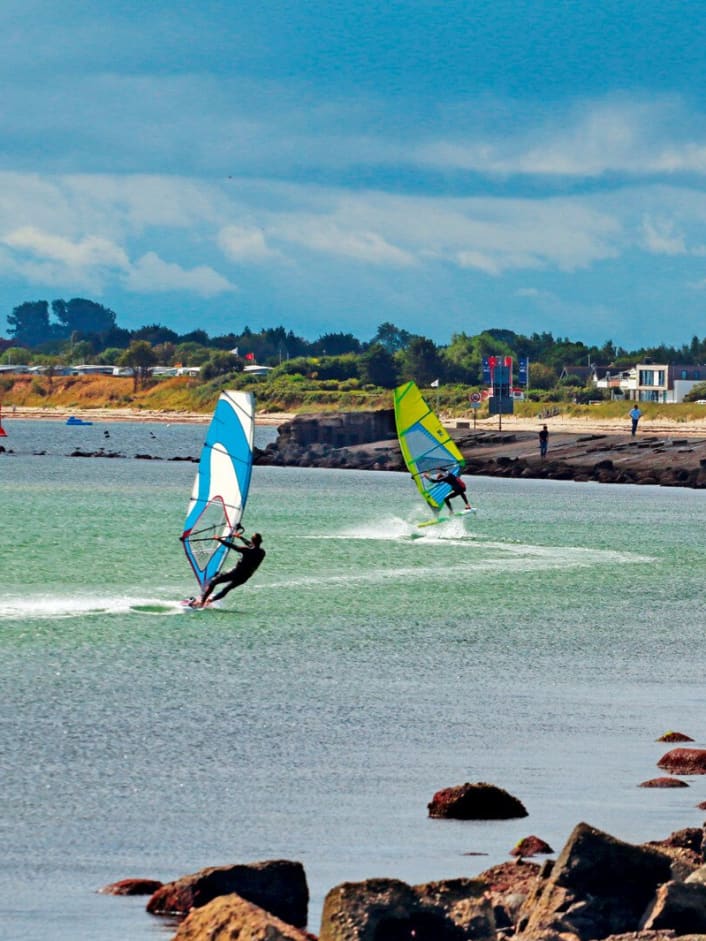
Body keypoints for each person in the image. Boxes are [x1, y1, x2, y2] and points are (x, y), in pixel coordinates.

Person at [195, 531, 265, 607]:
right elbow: (251, 545)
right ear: (260, 542)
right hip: (245, 577)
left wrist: (219, 539)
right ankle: (210, 600)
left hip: (235, 573)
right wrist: (241, 537)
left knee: (213, 582)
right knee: (226, 589)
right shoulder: (262, 552)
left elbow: (231, 546)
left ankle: (202, 602)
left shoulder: (246, 550)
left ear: (252, 541)